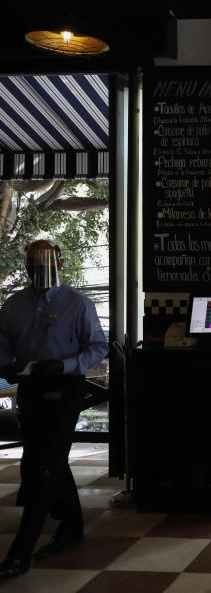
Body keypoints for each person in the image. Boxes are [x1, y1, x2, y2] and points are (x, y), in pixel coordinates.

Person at [0, 240, 108, 578]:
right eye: (33, 260)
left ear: (59, 262)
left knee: (43, 467)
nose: (38, 267)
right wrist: (7, 366)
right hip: (30, 388)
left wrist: (63, 366)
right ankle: (72, 527)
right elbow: (2, 345)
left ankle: (21, 553)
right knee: (46, 460)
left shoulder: (78, 304)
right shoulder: (13, 304)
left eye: (44, 260)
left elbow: (98, 347)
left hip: (65, 387)